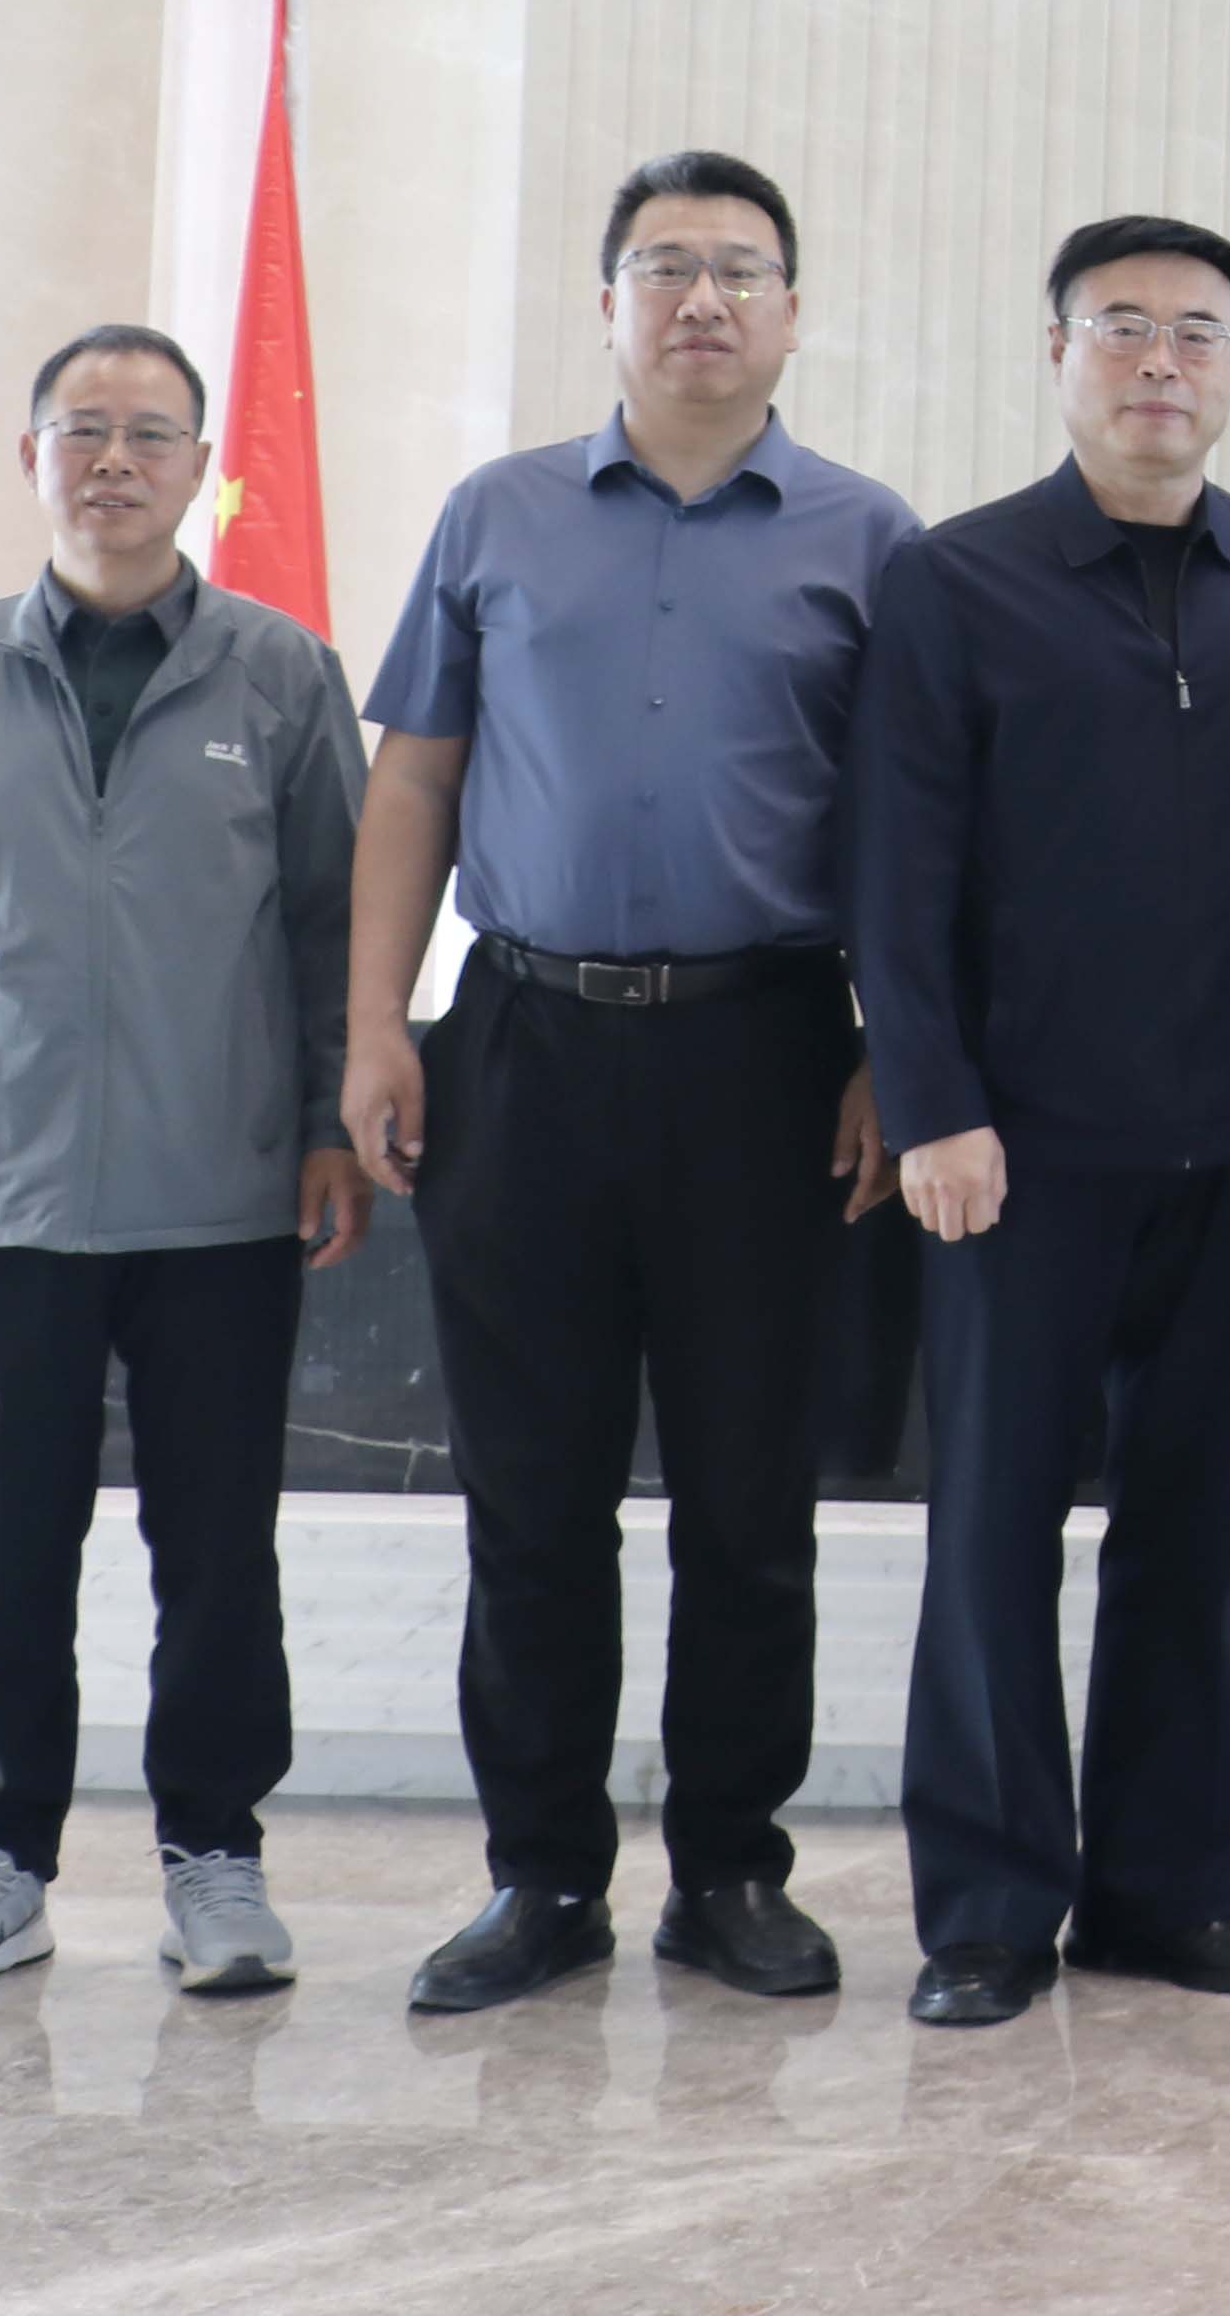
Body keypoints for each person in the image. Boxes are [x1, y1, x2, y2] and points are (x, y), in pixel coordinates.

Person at [338, 152, 916, 2015]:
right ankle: (541, 1879)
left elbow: (915, 825)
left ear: (793, 313)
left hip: (771, 1053)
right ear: (607, 306)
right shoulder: (497, 516)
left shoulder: (869, 538)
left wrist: (894, 1052)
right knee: (533, 1496)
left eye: (741, 269)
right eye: (666, 267)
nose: (702, 300)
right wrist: (375, 1023)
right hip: (524, 1043)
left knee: (750, 1499)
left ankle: (731, 1871)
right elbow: (416, 778)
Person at [852, 215, 1230, 2030]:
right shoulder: (955, 579)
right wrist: (933, 1104)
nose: (1162, 361)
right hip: (1021, 1147)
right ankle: (991, 1906)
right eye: (1124, 326)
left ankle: (1167, 1892)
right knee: (995, 1527)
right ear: (1059, 352)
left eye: (1199, 333)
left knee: (1191, 1522)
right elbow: (897, 871)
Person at [0, 324, 371, 2008]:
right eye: (83, 430)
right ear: (32, 458)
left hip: (223, 1195)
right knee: (11, 1551)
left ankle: (216, 1858)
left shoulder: (281, 675)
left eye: (150, 433)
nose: (115, 461)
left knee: (219, 1551)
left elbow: (337, 928)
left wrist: (332, 1126)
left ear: (202, 465)